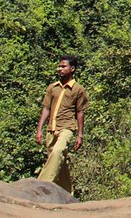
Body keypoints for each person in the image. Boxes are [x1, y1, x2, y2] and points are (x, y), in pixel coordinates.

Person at [35, 56, 88, 193]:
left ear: (72, 69)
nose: (60, 69)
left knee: (58, 152)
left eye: (63, 66)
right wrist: (39, 130)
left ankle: (41, 184)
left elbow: (80, 112)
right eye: (59, 66)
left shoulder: (78, 89)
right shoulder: (52, 87)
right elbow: (46, 108)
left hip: (67, 127)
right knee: (60, 160)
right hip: (51, 129)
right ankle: (67, 192)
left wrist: (80, 135)